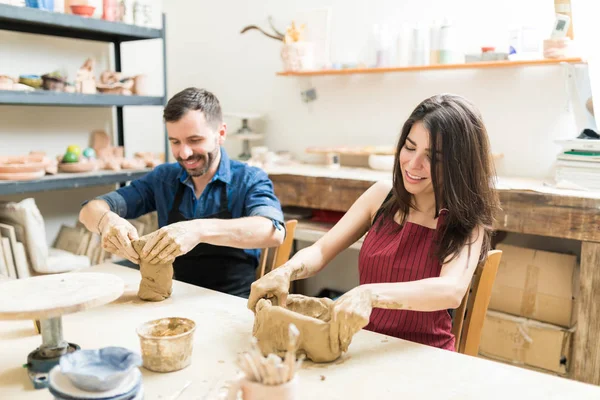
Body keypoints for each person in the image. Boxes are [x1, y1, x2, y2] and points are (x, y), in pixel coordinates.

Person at [248, 94, 499, 351]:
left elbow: (450, 290)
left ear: (458, 165)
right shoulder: (381, 196)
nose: (413, 164)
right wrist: (287, 271)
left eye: (432, 157)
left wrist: (370, 294)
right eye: (410, 147)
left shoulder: (467, 220)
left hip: (423, 353)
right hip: (363, 344)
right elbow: (321, 250)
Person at [79, 87, 285, 298]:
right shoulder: (163, 178)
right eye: (175, 142)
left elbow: (273, 231)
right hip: (175, 296)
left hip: (233, 301)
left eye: (195, 140)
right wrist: (106, 222)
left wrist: (198, 230)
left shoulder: (249, 178)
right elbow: (89, 210)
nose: (184, 153)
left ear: (220, 134)